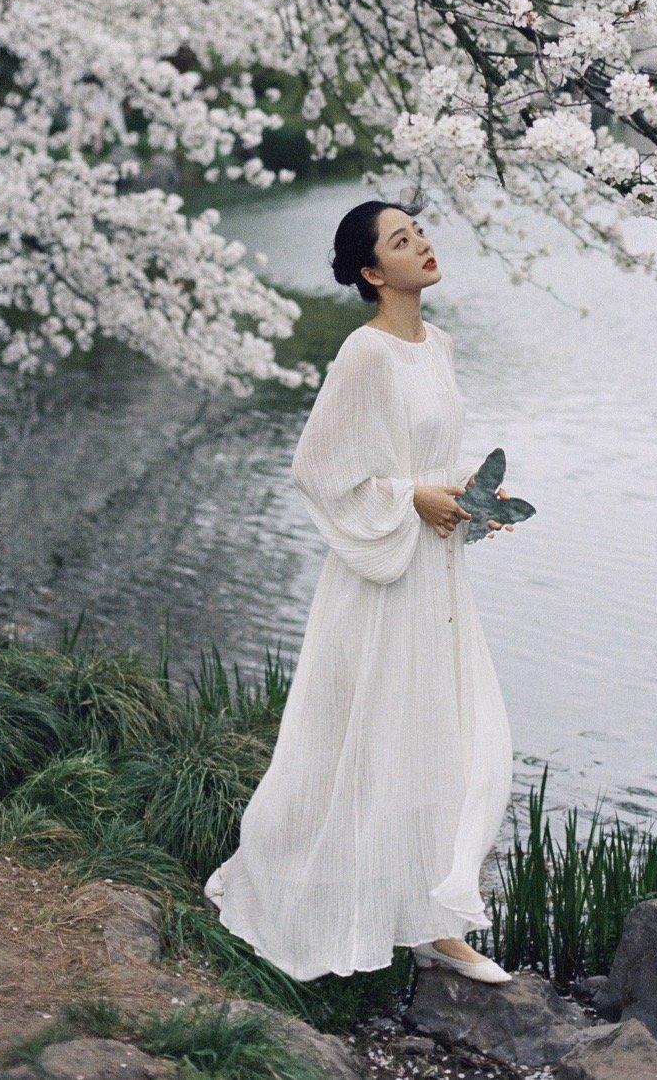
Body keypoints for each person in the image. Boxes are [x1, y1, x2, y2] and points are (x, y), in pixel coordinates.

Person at [204, 198, 517, 983]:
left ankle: (437, 922)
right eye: (402, 242)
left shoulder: (438, 345)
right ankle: (301, 898)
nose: (423, 246)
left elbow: (427, 455)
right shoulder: (364, 354)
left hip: (438, 575)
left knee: (447, 733)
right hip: (379, 576)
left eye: (422, 233)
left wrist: (471, 500)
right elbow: (320, 467)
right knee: (359, 738)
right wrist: (410, 499)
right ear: (375, 272)